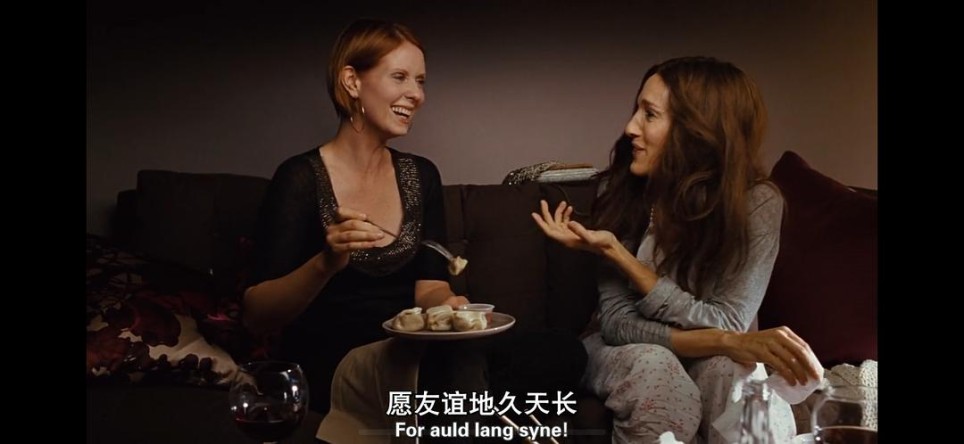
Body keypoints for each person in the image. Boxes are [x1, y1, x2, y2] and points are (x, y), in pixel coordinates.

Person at [243, 18, 586, 443]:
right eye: (400, 77)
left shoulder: (421, 175)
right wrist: (325, 263)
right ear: (352, 81)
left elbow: (430, 287)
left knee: (560, 351)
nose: (417, 95)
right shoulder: (299, 178)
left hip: (420, 350)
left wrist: (451, 307)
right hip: (340, 359)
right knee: (454, 368)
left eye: (421, 81)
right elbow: (257, 315)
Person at [531, 56, 821, 443]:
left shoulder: (758, 203)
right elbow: (618, 325)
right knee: (660, 376)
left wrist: (627, 261)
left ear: (697, 131)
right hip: (622, 349)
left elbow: (730, 321)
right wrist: (616, 252)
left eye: (649, 114)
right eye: (637, 110)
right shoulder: (621, 190)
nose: (630, 127)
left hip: (715, 353)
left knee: (735, 381)